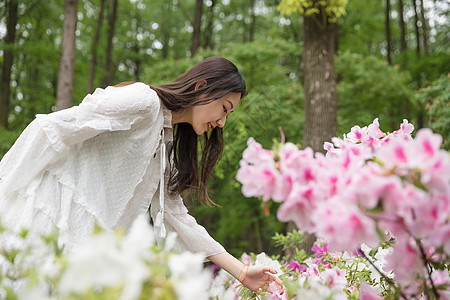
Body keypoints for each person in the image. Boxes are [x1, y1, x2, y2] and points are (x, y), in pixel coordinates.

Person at [0, 56, 282, 293]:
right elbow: (53, 128)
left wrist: (243, 272)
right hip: (51, 216)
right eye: (224, 108)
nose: (221, 122)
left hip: (86, 243)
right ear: (201, 87)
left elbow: (176, 216)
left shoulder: (165, 141)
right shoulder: (144, 101)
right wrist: (6, 184)